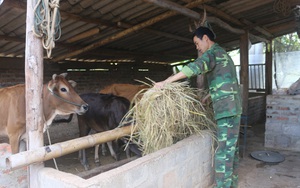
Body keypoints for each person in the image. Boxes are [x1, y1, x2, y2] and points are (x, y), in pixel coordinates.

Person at [154, 26, 242, 188]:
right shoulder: (223, 53)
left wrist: (166, 82)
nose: (197, 47)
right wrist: (209, 96)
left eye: (197, 43)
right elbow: (227, 82)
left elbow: (195, 67)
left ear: (206, 39)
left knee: (223, 154)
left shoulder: (212, 53)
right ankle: (232, 185)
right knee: (231, 150)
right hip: (233, 108)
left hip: (226, 111)